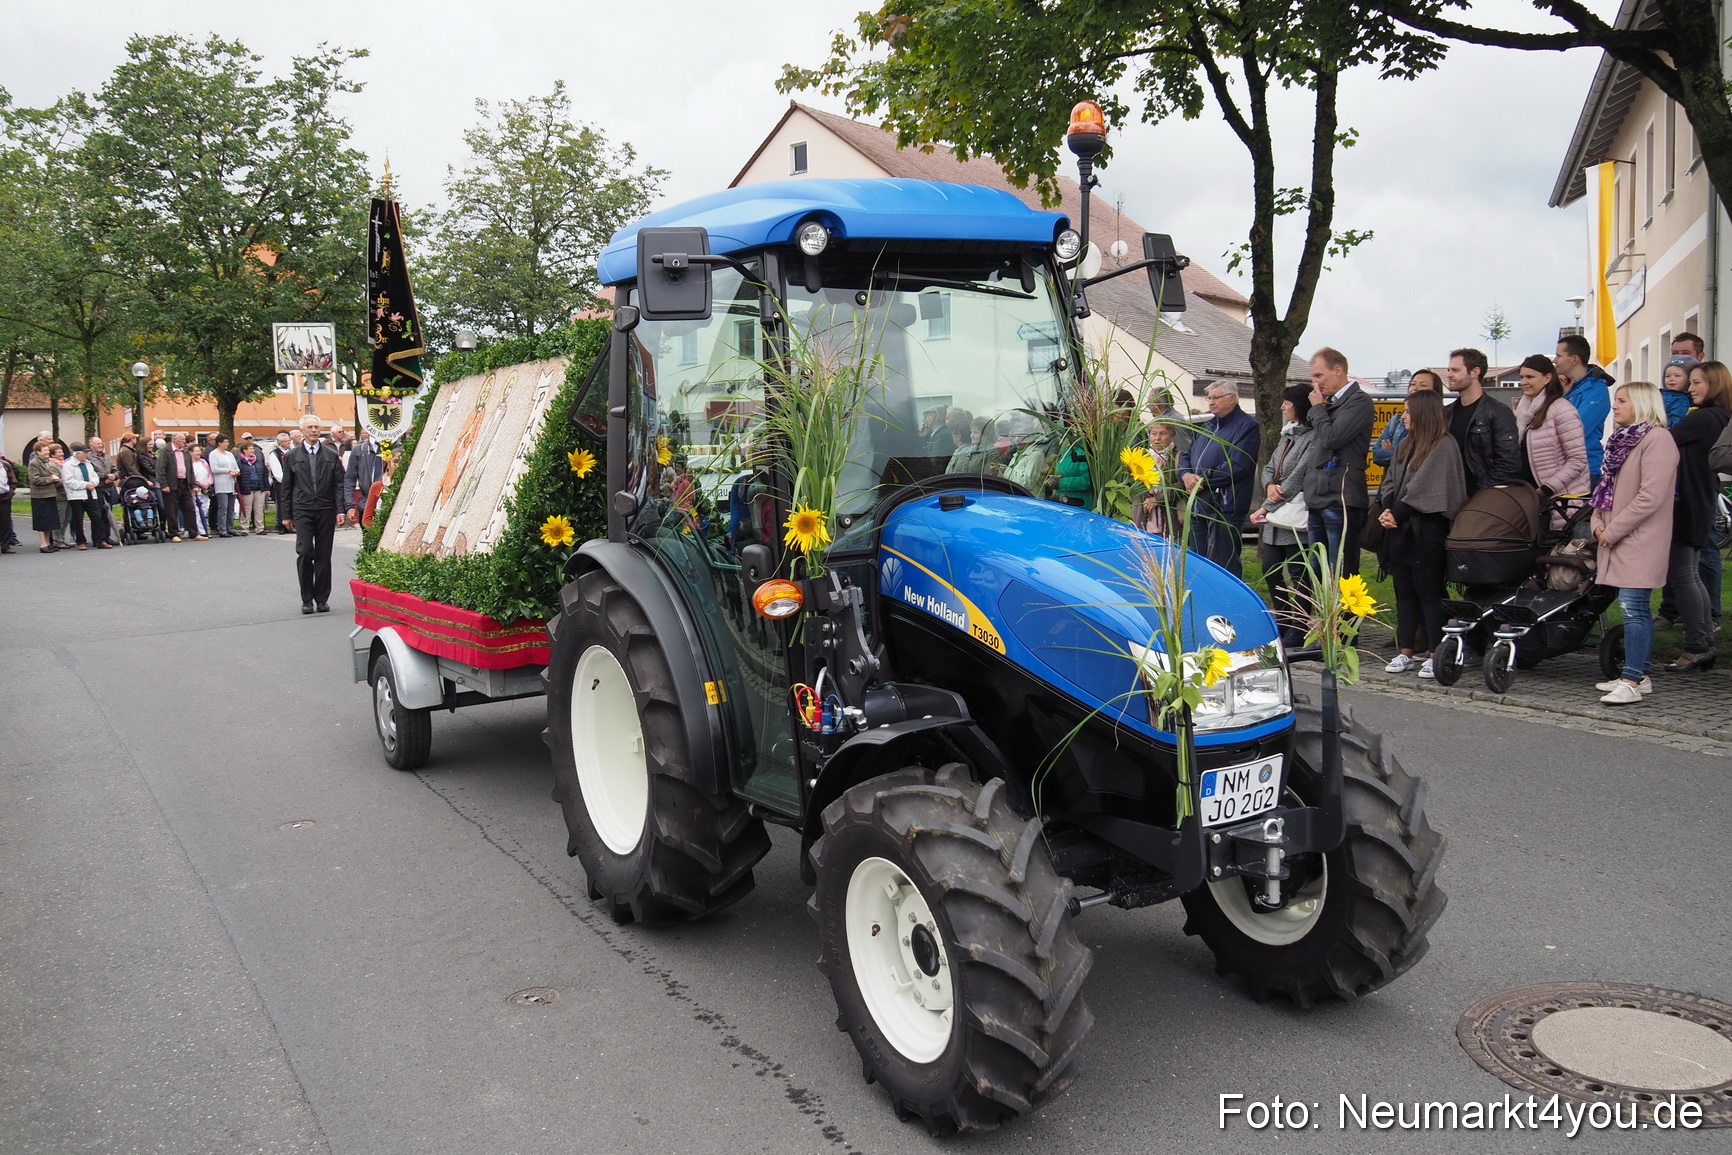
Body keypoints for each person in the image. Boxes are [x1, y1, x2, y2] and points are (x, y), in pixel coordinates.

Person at [1592, 382, 1680, 703]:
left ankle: (1630, 682)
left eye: (1622, 401)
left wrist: (1611, 531)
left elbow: (1651, 496)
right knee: (1630, 608)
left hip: (1640, 539)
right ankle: (1639, 675)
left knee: (1633, 608)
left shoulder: (1658, 440)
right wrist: (1597, 524)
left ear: (1641, 403)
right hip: (1618, 536)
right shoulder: (1619, 441)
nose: (1615, 406)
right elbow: (1604, 491)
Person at [1377, 389, 1467, 678]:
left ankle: (1434, 652)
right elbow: (1389, 480)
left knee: (1429, 591)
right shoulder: (1406, 443)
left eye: (1407, 411)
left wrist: (1397, 512)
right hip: (1400, 528)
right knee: (1403, 591)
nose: (1402, 416)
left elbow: (1427, 487)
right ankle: (1406, 651)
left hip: (1427, 529)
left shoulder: (1443, 445)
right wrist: (1388, 509)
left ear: (1423, 413)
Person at [1656, 361, 1732, 673]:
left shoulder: (1704, 418)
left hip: (1687, 502)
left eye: (1697, 383)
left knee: (1683, 575)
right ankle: (1702, 644)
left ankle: (1697, 645)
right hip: (1699, 500)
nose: (1690, 389)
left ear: (1714, 384)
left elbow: (1662, 441)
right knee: (1689, 574)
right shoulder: (1719, 417)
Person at [1251, 385, 1317, 644]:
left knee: (1298, 573)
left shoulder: (1312, 437)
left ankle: (1299, 627)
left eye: (1287, 402)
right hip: (1276, 519)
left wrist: (1268, 504)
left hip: (1292, 517)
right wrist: (1268, 486)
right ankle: (1284, 619)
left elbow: (1299, 475)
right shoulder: (1286, 434)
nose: (1282, 407)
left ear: (1299, 405)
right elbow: (1269, 466)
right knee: (1270, 569)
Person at [1302, 347, 1375, 576]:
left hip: (1340, 498)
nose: (1316, 383)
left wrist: (1317, 409)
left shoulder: (1359, 402)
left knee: (1339, 570)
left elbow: (1333, 438)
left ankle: (1343, 614)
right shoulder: (1329, 404)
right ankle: (1320, 612)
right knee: (1317, 570)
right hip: (1319, 496)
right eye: (1313, 377)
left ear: (1338, 370)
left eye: (1319, 375)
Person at [1178, 382, 1261, 575]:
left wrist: (1201, 480)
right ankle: (1202, 600)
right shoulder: (1208, 425)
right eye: (1210, 398)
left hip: (1225, 507)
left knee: (1224, 563)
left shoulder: (1246, 427)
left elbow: (1239, 465)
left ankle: (1229, 603)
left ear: (1232, 398)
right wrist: (1185, 475)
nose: (1211, 402)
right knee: (1198, 561)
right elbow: (1186, 454)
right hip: (1199, 504)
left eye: (1216, 398)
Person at [281, 413, 351, 613]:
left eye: (316, 427)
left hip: (326, 508)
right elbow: (286, 487)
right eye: (310, 427)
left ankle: (321, 598)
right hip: (302, 509)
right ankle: (306, 599)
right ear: (302, 430)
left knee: (323, 554)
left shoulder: (330, 455)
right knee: (304, 552)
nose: (313, 430)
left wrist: (340, 509)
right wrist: (286, 514)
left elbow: (339, 484)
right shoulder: (292, 456)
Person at [1443, 348, 1522, 494]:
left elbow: (1508, 463)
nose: (1449, 375)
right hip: (1449, 499)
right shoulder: (1445, 414)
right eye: (1449, 369)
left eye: (1455, 370)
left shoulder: (1498, 412)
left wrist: (1480, 495)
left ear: (1475, 372)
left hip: (1481, 499)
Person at [1510, 354, 1589, 500]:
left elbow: (1578, 460)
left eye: (1530, 377)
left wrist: (1546, 490)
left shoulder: (1562, 410)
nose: (1523, 382)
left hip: (1558, 499)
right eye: (1521, 377)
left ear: (1547, 378)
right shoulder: (1523, 411)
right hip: (1529, 496)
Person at [1554, 333, 1615, 486]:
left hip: (1585, 471)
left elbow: (1577, 428)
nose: (1555, 361)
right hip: (1558, 469)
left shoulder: (1597, 389)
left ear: (1574, 359)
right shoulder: (1563, 388)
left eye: (1559, 356)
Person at [1371, 370, 1442, 467]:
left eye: (1423, 385)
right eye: (1413, 384)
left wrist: (1394, 453)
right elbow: (1377, 455)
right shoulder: (1397, 420)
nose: (1415, 388)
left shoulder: (1441, 424)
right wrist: (1401, 456)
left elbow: (1424, 459)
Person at [1134, 421, 1185, 537]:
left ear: (1172, 436)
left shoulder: (1179, 457)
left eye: (1162, 433)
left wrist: (1158, 499)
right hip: (1143, 517)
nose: (1157, 438)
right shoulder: (1141, 456)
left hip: (1170, 518)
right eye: (1153, 433)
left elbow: (1182, 485)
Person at [62, 443, 114, 550]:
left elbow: (95, 476)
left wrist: (92, 483)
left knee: (97, 518)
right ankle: (81, 541)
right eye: (84, 453)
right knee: (78, 520)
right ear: (77, 454)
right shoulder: (68, 465)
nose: (86, 455)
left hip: (90, 494)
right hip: (76, 496)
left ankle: (100, 540)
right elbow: (69, 481)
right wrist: (85, 484)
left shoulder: (88, 464)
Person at [156, 432, 203, 542]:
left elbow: (190, 469)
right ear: (174, 440)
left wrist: (193, 484)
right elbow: (160, 469)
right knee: (172, 510)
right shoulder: (165, 451)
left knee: (190, 508)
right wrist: (164, 485)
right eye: (182, 439)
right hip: (172, 484)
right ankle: (174, 534)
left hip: (185, 483)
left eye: (184, 439)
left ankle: (193, 534)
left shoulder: (185, 451)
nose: (184, 441)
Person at [27, 442, 63, 553]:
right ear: (38, 452)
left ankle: (48, 543)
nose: (48, 452)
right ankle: (43, 544)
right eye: (45, 450)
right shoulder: (34, 463)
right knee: (42, 521)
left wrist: (57, 480)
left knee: (50, 521)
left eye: (48, 450)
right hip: (39, 496)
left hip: (50, 494)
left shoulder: (47, 462)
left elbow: (55, 476)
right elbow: (35, 479)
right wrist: (51, 479)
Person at [344, 430, 385, 523]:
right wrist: (350, 505)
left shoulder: (396, 447)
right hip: (366, 506)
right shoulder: (359, 450)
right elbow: (350, 479)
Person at [207, 434, 240, 537]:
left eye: (227, 442)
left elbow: (236, 467)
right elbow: (214, 469)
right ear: (219, 443)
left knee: (230, 507)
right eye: (225, 442)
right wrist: (228, 470)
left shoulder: (229, 454)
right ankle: (222, 529)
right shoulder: (214, 454)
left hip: (231, 482)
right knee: (223, 507)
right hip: (221, 483)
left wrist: (236, 472)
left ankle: (230, 527)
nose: (227, 444)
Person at [236, 436, 270, 533]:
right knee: (246, 509)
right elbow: (238, 477)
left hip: (259, 488)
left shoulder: (258, 461)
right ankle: (244, 528)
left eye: (253, 449)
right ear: (244, 450)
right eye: (250, 449)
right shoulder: (240, 462)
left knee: (259, 509)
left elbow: (264, 474)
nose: (253, 451)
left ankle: (260, 528)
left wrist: (267, 488)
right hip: (246, 488)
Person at [1659, 356, 1697, 426]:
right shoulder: (1661, 395)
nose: (1671, 379)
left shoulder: (1689, 396)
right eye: (1667, 376)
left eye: (1677, 376)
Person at [190, 445, 215, 537]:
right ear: (190, 453)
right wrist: (199, 483)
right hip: (195, 488)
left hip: (205, 489)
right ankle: (200, 531)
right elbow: (191, 476)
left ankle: (204, 528)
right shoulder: (189, 463)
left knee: (204, 509)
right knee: (196, 510)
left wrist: (208, 483)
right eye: (196, 451)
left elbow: (209, 474)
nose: (198, 453)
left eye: (199, 451)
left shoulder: (203, 462)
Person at [0, 451, 16, 553]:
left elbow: (12, 480)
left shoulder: (5, 465)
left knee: (5, 522)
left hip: (4, 497)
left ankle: (5, 546)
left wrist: (11, 492)